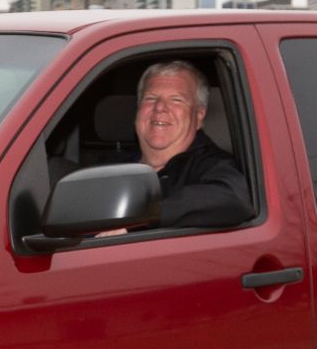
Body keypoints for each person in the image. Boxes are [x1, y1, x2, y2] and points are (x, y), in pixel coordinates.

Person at [99, 61, 250, 234]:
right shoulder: (109, 168)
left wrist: (140, 218)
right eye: (151, 98)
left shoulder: (213, 165)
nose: (160, 108)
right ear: (138, 108)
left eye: (176, 100)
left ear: (199, 115)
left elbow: (233, 198)